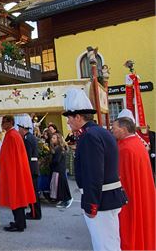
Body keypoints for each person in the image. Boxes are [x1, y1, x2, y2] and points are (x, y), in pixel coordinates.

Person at [63, 88, 127, 251]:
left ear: (78, 117)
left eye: (69, 118)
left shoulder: (89, 136)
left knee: (105, 246)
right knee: (110, 242)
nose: (68, 122)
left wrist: (91, 204)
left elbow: (94, 174)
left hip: (100, 201)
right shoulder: (100, 132)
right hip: (107, 198)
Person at [112, 117, 155, 250]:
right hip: (142, 192)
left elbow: (120, 178)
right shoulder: (136, 142)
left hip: (129, 197)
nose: (112, 131)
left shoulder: (125, 149)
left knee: (130, 227)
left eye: (114, 128)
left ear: (124, 130)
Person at [0, 115, 36, 232]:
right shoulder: (14, 135)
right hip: (17, 170)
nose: (2, 124)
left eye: (4, 122)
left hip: (14, 172)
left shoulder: (11, 136)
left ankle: (19, 224)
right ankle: (20, 222)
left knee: (16, 198)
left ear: (10, 123)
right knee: (18, 198)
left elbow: (7, 156)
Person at [16, 114, 42, 220]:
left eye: (19, 128)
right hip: (34, 167)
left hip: (30, 168)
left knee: (33, 192)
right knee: (34, 191)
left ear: (23, 128)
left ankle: (35, 213)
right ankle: (34, 211)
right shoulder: (31, 137)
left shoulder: (27, 139)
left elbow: (26, 155)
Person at [49, 133, 73, 208]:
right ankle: (64, 199)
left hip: (59, 169)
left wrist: (51, 163)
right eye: (52, 138)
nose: (52, 139)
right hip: (60, 169)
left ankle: (66, 200)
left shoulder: (58, 148)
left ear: (58, 139)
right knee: (61, 185)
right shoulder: (59, 147)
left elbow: (56, 160)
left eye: (54, 138)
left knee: (61, 185)